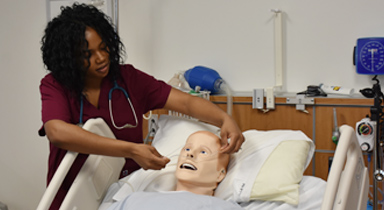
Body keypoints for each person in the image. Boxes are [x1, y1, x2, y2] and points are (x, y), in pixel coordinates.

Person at [39, 3, 244, 209]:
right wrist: (131, 150)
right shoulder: (56, 85)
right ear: (70, 58)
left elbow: (186, 102)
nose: (101, 58)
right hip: (71, 198)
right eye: (87, 54)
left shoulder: (129, 79)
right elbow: (57, 132)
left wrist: (225, 119)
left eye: (103, 47)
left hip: (123, 194)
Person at [106, 131, 243, 210]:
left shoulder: (225, 208)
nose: (190, 154)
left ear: (220, 174)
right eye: (187, 149)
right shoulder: (134, 200)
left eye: (203, 152)